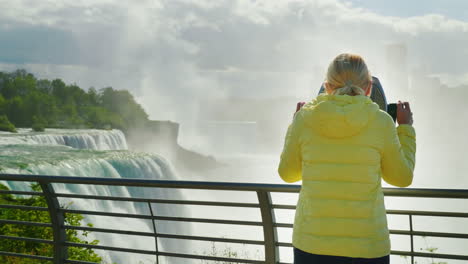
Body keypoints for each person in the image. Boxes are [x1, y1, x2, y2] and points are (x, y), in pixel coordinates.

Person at [278, 53, 416, 264]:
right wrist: (405, 129)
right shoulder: (382, 122)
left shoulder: (305, 119)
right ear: (369, 88)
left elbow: (288, 174)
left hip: (313, 244)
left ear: (326, 86)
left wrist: (294, 124)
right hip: (368, 245)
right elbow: (401, 178)